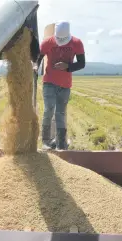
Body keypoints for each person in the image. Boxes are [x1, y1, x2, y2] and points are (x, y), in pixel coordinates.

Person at [34, 21, 86, 151]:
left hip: (65, 84)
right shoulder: (47, 42)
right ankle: (46, 141)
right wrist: (35, 65)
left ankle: (61, 143)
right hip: (49, 82)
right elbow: (39, 57)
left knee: (60, 113)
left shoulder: (77, 43)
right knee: (49, 110)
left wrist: (68, 66)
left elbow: (81, 63)